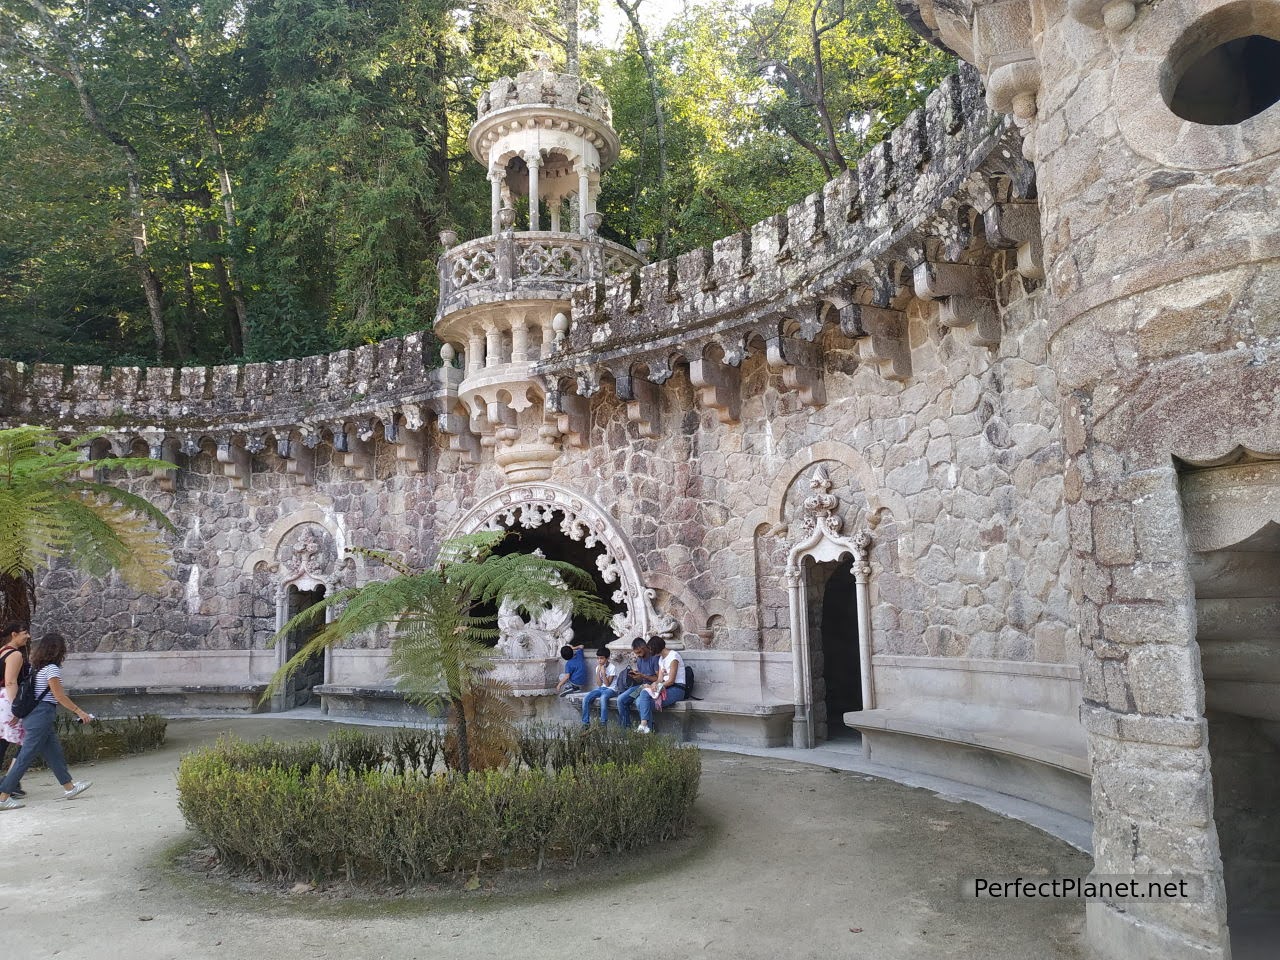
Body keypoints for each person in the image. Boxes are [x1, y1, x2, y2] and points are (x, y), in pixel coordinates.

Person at [0, 633, 93, 810]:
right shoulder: (51, 669)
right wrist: (79, 711)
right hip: (41, 715)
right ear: (59, 650)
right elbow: (59, 696)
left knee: (54, 752)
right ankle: (3, 797)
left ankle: (69, 788)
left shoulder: (38, 668)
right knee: (25, 757)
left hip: (36, 716)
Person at [0, 621, 31, 799]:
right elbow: (11, 681)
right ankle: (10, 782)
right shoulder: (15, 654)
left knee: (2, 743)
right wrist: (16, 709)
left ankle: (9, 782)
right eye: (24, 632)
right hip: (8, 701)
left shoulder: (2, 651)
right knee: (27, 741)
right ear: (14, 634)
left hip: (1, 700)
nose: (27, 636)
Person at [636, 638, 687, 734]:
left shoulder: (673, 657)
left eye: (651, 649)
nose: (650, 652)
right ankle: (646, 728)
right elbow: (659, 679)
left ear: (656, 648)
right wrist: (654, 684)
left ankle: (646, 729)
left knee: (642, 704)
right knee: (641, 699)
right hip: (664, 687)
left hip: (677, 689)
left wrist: (658, 686)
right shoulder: (661, 659)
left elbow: (671, 681)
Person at [616, 637, 661, 728]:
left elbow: (658, 679)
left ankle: (648, 730)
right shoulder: (639, 660)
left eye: (639, 652)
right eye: (636, 653)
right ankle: (625, 730)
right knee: (621, 700)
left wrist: (643, 676)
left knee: (640, 702)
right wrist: (636, 677)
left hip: (651, 688)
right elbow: (641, 680)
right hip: (641, 687)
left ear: (645, 647)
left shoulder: (654, 658)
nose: (638, 655)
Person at [580, 647, 628, 726]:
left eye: (601, 658)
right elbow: (599, 684)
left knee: (603, 698)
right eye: (598, 658)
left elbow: (607, 684)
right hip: (601, 688)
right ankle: (586, 723)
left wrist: (603, 673)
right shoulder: (597, 667)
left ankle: (603, 722)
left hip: (611, 690)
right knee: (586, 698)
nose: (599, 660)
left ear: (607, 658)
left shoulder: (612, 667)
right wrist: (598, 672)